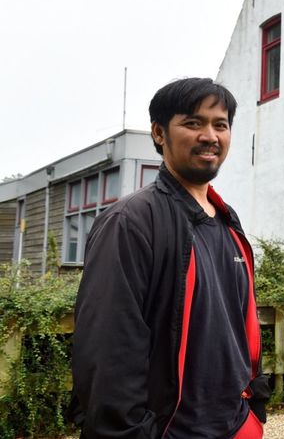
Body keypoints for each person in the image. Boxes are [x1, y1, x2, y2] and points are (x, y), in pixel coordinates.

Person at [71, 78, 268, 439]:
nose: (210, 135)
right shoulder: (130, 223)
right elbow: (108, 349)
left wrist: (254, 407)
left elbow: (241, 327)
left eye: (220, 124)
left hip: (237, 425)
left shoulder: (228, 221)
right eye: (193, 123)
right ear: (159, 133)